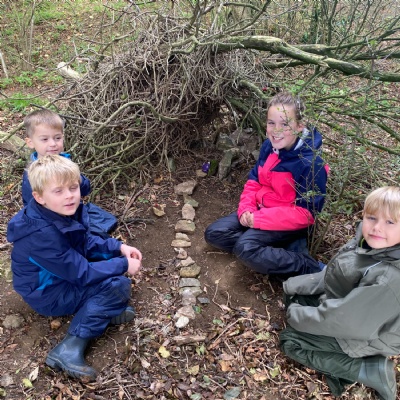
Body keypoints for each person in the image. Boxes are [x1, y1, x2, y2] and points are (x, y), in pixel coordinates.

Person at [7, 155, 142, 381]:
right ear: (39, 197)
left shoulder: (62, 210)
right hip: (47, 294)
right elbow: (82, 273)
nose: (69, 195)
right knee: (117, 286)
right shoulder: (41, 235)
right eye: (58, 191)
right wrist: (124, 264)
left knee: (112, 274)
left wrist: (119, 248)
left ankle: (101, 312)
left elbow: (85, 241)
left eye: (73, 187)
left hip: (60, 276)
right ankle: (69, 348)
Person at [280, 186, 400, 400]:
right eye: (372, 217)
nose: (377, 227)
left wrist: (295, 315)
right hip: (356, 311)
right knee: (294, 297)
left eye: (390, 222)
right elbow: (335, 273)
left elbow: (348, 322)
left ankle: (371, 371)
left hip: (374, 332)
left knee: (291, 341)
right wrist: (293, 287)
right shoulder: (368, 243)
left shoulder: (389, 276)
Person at [204, 91, 328, 276]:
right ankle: (265, 250)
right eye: (271, 123)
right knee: (214, 233)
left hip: (287, 222)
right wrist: (246, 209)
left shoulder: (310, 164)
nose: (276, 130)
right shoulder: (269, 146)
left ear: (300, 125)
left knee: (245, 248)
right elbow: (254, 181)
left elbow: (306, 214)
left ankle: (311, 267)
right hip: (260, 210)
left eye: (285, 124)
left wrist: (259, 220)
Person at [22, 108, 117, 238]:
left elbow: (85, 189)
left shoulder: (65, 161)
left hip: (72, 209)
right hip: (53, 221)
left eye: (57, 138)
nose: (53, 144)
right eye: (44, 139)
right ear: (30, 142)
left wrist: (78, 180)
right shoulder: (32, 175)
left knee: (106, 221)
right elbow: (32, 208)